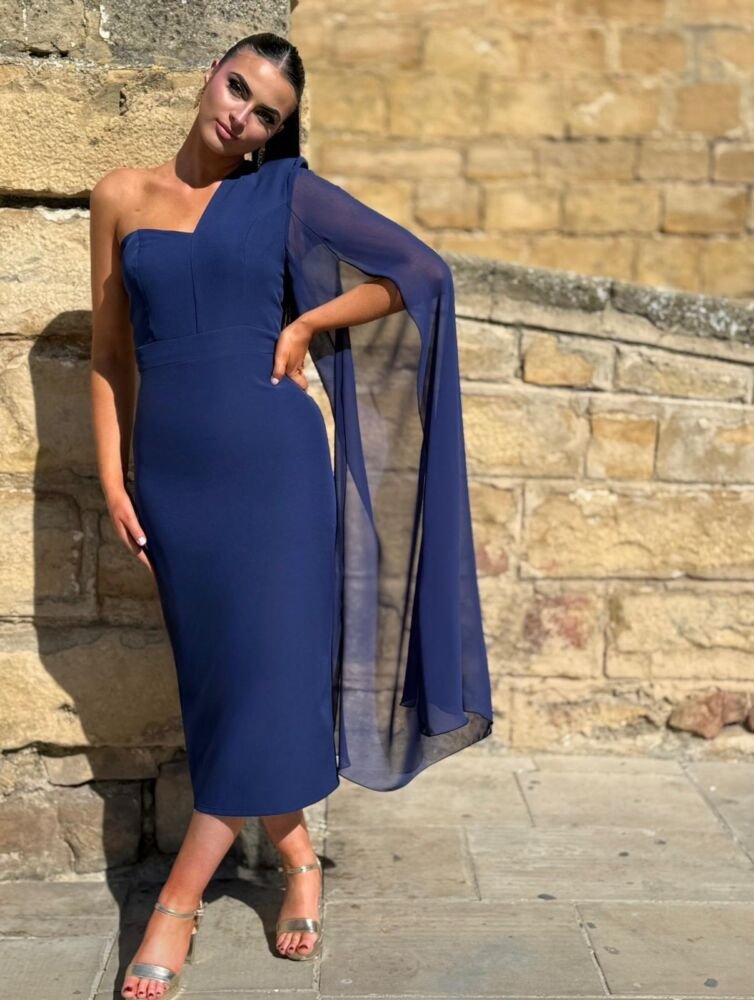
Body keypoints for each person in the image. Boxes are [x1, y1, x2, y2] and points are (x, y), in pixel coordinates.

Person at [89, 30, 493, 1000]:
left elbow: (422, 273)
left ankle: (176, 902)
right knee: (222, 685)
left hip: (276, 474)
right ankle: (299, 857)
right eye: (237, 88)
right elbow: (109, 352)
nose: (242, 115)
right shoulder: (119, 196)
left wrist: (309, 322)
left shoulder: (285, 194)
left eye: (265, 112)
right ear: (209, 75)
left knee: (264, 679)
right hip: (175, 483)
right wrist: (113, 478)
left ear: (277, 131)